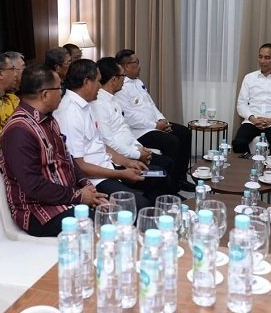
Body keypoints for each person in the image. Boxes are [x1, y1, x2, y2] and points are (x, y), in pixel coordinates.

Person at [0, 65, 109, 236]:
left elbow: (68, 159)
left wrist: (88, 189)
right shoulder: (19, 131)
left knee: (112, 212)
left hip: (66, 197)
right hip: (39, 211)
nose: (62, 93)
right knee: (105, 226)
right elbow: (33, 186)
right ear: (45, 94)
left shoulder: (48, 120)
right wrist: (79, 197)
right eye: (60, 88)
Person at [54, 59, 161, 209]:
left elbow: (101, 144)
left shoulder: (86, 104)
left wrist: (128, 162)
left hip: (109, 167)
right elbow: (79, 167)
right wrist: (121, 174)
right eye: (98, 81)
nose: (100, 86)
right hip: (94, 179)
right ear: (86, 82)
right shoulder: (70, 113)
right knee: (139, 204)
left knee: (157, 175)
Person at [91, 57, 179, 195]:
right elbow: (109, 142)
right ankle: (156, 204)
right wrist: (137, 155)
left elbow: (125, 129)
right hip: (121, 158)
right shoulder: (99, 105)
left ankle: (167, 198)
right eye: (122, 76)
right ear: (114, 79)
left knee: (167, 163)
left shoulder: (113, 99)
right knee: (160, 173)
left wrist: (140, 148)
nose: (124, 80)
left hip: (131, 150)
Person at [114, 49, 193, 191]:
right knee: (172, 142)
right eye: (136, 63)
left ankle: (181, 178)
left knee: (184, 132)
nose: (139, 66)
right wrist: (155, 125)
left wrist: (163, 121)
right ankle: (171, 186)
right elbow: (130, 117)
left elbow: (151, 105)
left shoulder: (138, 82)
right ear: (126, 66)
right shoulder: (120, 87)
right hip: (140, 131)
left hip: (154, 125)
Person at [231, 43, 271, 159]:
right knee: (238, 143)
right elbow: (241, 104)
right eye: (260, 57)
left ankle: (270, 171)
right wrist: (252, 119)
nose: (262, 61)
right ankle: (249, 167)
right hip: (252, 120)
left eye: (267, 57)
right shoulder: (249, 78)